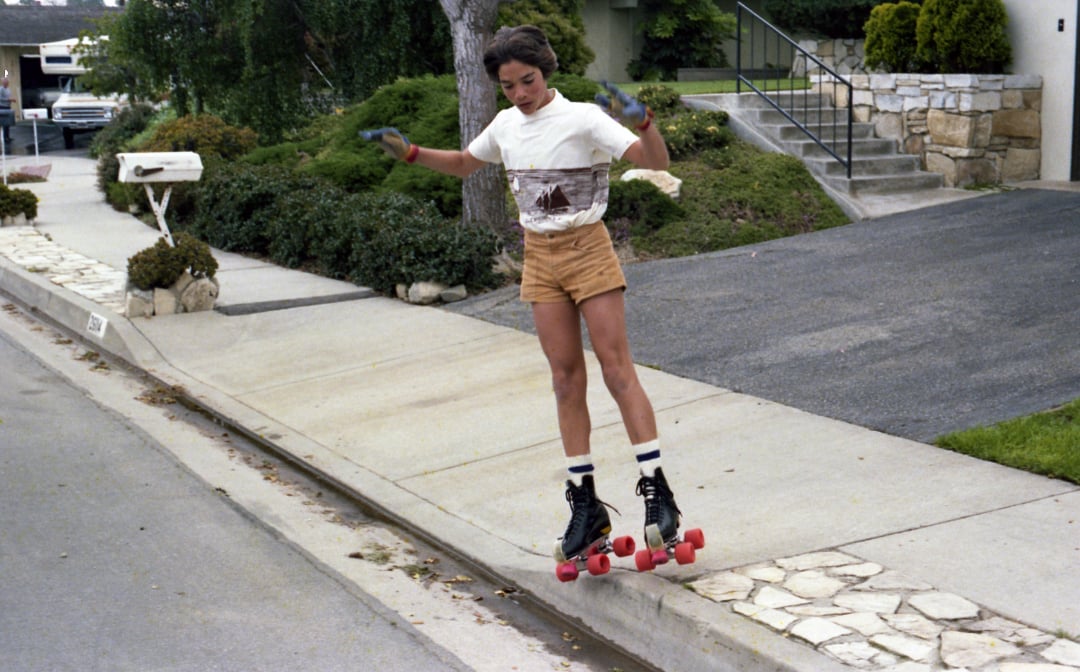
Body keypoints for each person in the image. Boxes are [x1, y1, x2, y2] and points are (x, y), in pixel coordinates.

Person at [361, 25, 684, 564]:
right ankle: (586, 507)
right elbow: (464, 163)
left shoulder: (583, 118)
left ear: (545, 70)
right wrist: (412, 153)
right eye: (508, 86)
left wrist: (644, 123)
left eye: (527, 80)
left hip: (587, 247)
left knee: (616, 369)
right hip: (539, 255)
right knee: (564, 380)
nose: (519, 93)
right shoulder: (506, 125)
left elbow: (656, 163)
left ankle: (658, 493)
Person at [0, 77, 15, 148]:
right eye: (6, 82)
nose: (7, 83)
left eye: (7, 82)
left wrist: (11, 100)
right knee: (4, 122)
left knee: (8, 123)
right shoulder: (1, 89)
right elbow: (0, 98)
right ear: (3, 82)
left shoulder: (8, 89)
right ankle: (4, 137)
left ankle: (7, 136)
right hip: (2, 107)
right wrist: (9, 99)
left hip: (8, 107)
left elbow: (9, 97)